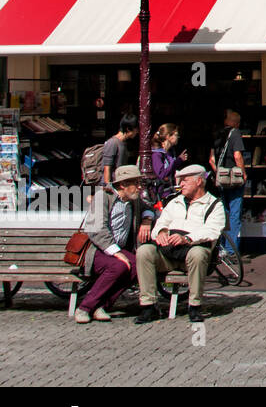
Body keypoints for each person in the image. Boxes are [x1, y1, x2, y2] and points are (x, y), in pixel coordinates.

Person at [135, 164, 227, 323]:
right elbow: (160, 224)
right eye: (180, 181)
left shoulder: (214, 204)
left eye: (185, 181)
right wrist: (162, 232)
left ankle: (195, 306)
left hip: (192, 254)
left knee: (198, 253)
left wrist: (188, 238)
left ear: (199, 181)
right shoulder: (175, 202)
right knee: (144, 252)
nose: (180, 185)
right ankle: (148, 306)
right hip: (168, 254)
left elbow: (213, 230)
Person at [75, 165, 155, 324]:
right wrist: (117, 253)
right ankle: (84, 308)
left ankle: (101, 306)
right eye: (135, 183)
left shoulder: (133, 200)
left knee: (137, 265)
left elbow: (149, 209)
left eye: (140, 182)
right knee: (119, 266)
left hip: (118, 250)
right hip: (97, 249)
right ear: (122, 185)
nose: (139, 187)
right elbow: (95, 230)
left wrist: (147, 220)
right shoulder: (103, 197)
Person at [209, 109, 246, 254]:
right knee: (235, 211)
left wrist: (218, 172)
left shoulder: (217, 134)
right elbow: (237, 156)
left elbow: (211, 159)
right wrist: (242, 172)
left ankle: (222, 247)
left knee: (223, 212)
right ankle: (232, 250)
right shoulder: (235, 133)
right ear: (236, 122)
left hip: (221, 178)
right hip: (234, 178)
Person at [99, 114, 139, 187]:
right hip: (111, 187)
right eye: (136, 129)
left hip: (118, 185)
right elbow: (107, 168)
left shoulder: (123, 143)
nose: (137, 132)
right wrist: (108, 187)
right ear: (128, 129)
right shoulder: (112, 143)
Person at [148, 123, 182, 207]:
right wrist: (177, 161)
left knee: (185, 190)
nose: (178, 137)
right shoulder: (157, 154)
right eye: (176, 135)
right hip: (160, 195)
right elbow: (161, 174)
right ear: (168, 136)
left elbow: (171, 172)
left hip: (170, 190)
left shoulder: (169, 152)